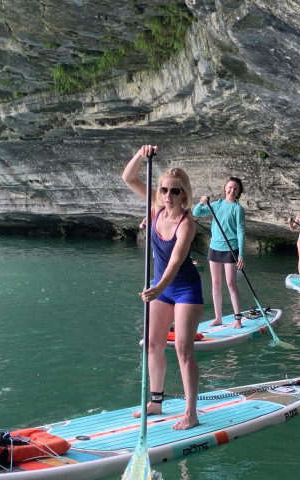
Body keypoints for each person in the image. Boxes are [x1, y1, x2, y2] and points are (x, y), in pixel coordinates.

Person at [121, 144, 203, 431]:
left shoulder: (186, 223)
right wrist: (141, 155)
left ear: (184, 194)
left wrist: (158, 288)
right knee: (154, 344)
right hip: (161, 288)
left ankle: (191, 412)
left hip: (185, 290)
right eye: (164, 190)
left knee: (183, 348)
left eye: (175, 191)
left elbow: (177, 261)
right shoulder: (155, 206)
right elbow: (128, 178)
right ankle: (156, 401)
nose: (168, 196)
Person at [192, 177, 246, 328]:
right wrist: (202, 202)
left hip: (231, 249)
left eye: (235, 189)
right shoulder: (217, 204)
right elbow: (196, 213)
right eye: (230, 187)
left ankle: (238, 319)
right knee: (216, 283)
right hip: (214, 248)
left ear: (238, 192)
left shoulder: (237, 209)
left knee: (231, 283)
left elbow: (241, 232)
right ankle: (218, 318)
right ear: (225, 188)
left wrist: (241, 254)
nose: (232, 191)